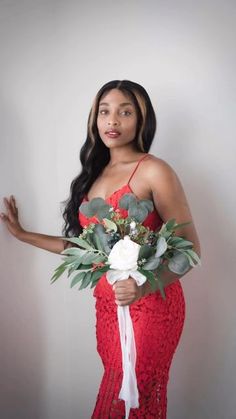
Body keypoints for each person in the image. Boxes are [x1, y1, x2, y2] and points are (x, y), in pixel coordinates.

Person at [1, 80, 201, 418]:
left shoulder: (155, 170)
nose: (113, 121)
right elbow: (83, 248)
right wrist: (23, 235)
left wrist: (143, 287)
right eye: (104, 112)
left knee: (131, 397)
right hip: (108, 306)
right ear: (95, 119)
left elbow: (190, 250)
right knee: (117, 389)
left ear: (142, 120)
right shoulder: (94, 174)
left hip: (152, 306)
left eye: (125, 112)